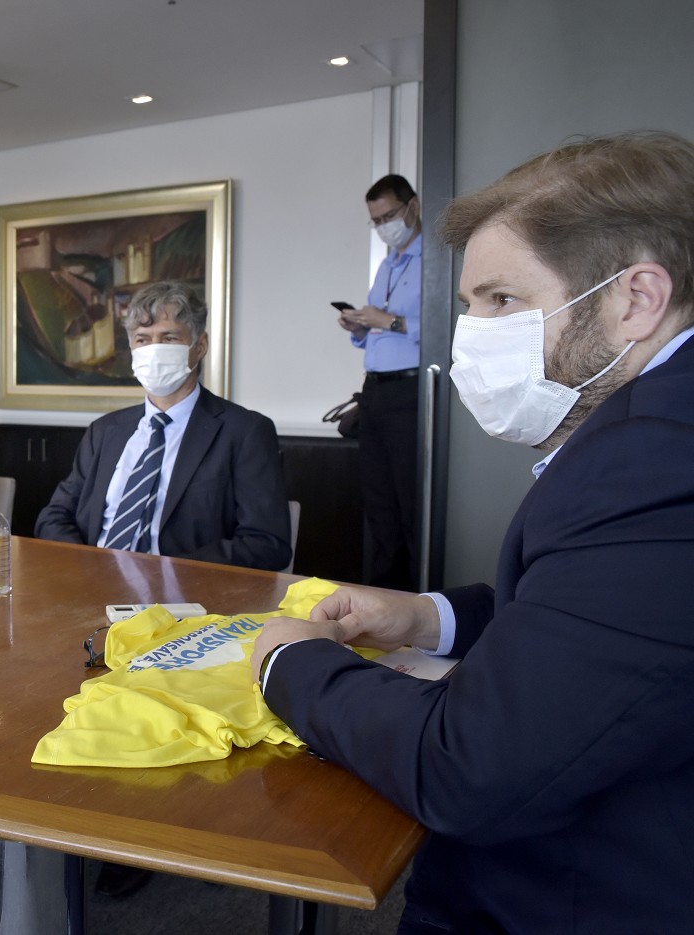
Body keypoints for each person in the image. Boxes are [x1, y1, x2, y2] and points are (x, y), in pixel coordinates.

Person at [253, 132, 694, 933]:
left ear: (636, 299)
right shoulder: (652, 432)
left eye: (501, 301)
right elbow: (591, 624)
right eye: (468, 306)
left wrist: (291, 660)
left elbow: (470, 767)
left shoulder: (652, 461)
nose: (471, 337)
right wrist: (428, 617)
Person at [35, 280, 292, 571]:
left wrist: (167, 573)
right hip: (92, 581)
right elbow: (54, 517)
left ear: (200, 346)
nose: (154, 350)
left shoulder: (244, 431)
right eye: (143, 340)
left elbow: (267, 543)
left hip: (187, 590)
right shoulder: (104, 431)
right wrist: (87, 566)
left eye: (169, 338)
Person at [337, 174, 422, 589]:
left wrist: (388, 321)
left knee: (409, 503)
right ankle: (384, 596)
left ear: (413, 207)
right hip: (375, 390)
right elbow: (380, 329)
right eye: (376, 221)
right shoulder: (388, 264)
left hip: (412, 390)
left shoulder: (434, 262)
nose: (384, 226)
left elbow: (443, 327)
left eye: (388, 216)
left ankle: (418, 596)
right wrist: (359, 326)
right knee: (379, 503)